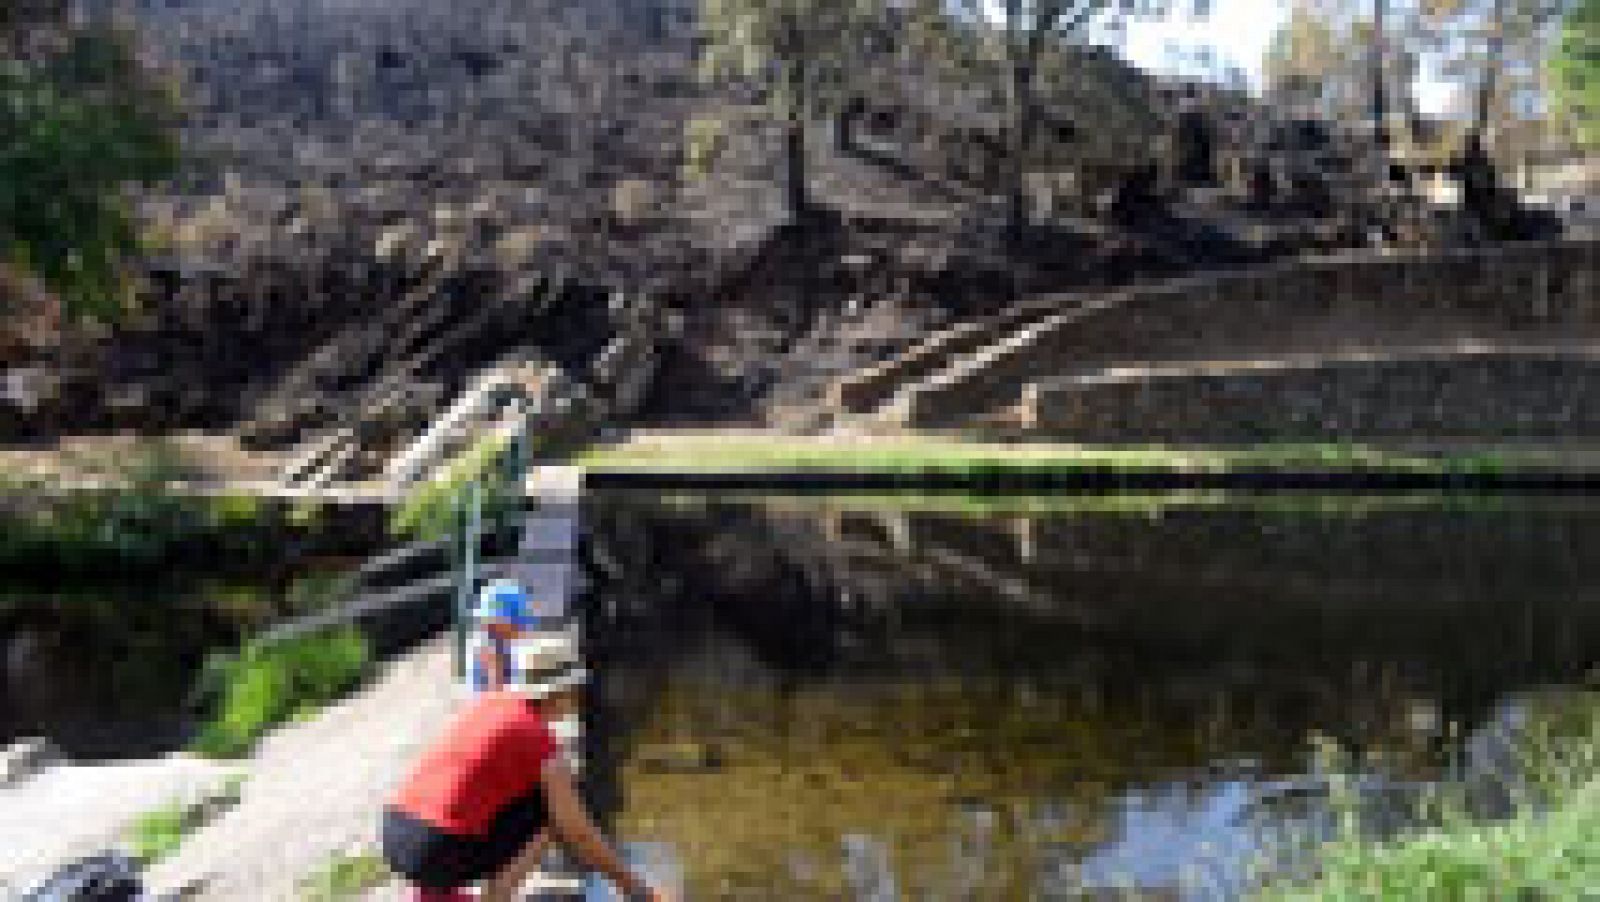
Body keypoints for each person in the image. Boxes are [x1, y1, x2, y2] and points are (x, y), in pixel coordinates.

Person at [382, 663, 666, 902]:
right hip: (434, 850)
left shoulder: (494, 703)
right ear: (560, 693)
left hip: (397, 830)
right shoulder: (538, 739)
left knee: (529, 801)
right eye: (575, 691)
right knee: (553, 813)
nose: (578, 698)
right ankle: (497, 896)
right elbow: (579, 832)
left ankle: (432, 890)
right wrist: (633, 887)